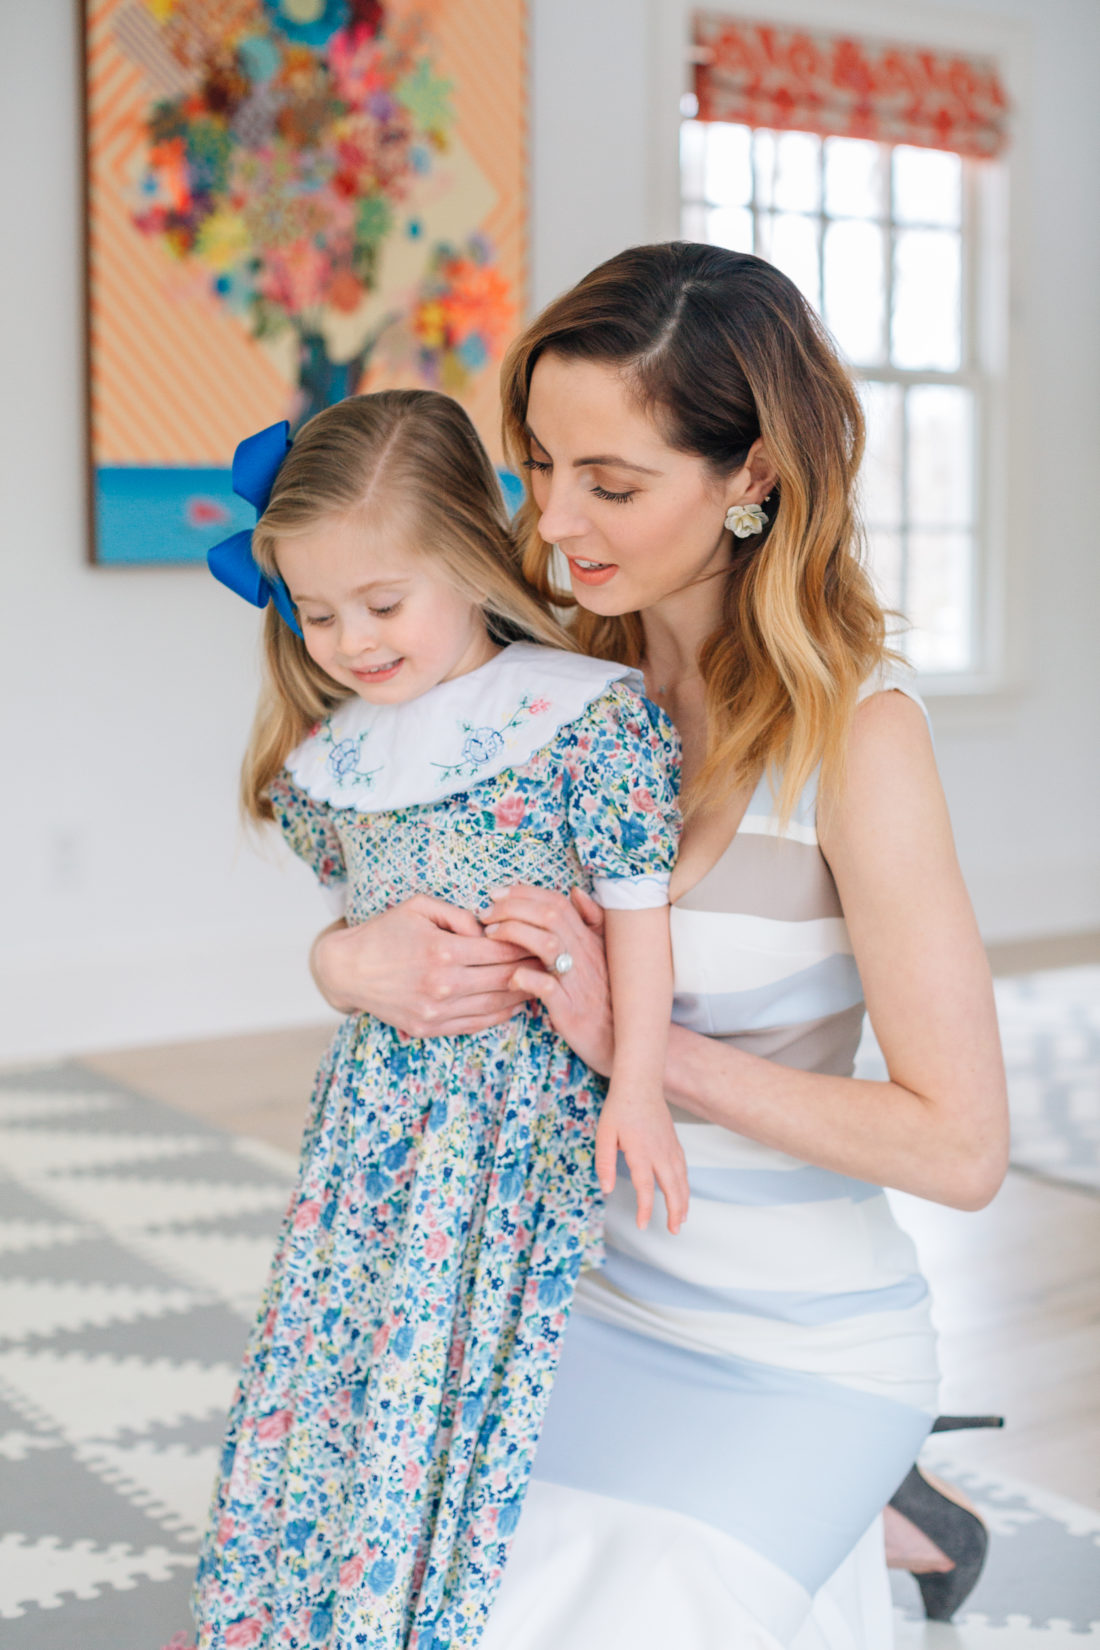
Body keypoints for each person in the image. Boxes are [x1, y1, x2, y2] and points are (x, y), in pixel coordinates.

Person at [308, 245, 1010, 1650]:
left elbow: (960, 1146)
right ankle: (893, 1512)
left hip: (794, 1343)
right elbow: (364, 865)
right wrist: (347, 962)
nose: (556, 519)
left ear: (750, 476)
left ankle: (880, 1482)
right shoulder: (536, 681)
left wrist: (637, 1042)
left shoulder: (857, 741)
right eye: (542, 463)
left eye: (612, 484)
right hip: (561, 1295)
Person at [191, 390, 687, 1649]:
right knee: (339, 1363)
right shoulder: (332, 760)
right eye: (318, 612)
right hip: (375, 1134)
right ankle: (310, 1604)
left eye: (382, 602)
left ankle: (426, 1604)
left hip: (520, 1123)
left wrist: (636, 1087)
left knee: (461, 1378)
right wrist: (342, 963)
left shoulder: (582, 717)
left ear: (468, 558)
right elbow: (359, 926)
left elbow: (639, 921)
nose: (352, 640)